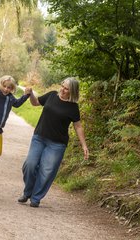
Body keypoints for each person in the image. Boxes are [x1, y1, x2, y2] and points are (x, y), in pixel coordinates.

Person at [18, 77, 89, 207]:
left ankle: (36, 198)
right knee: (30, 165)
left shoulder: (73, 107)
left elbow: (78, 126)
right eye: (62, 86)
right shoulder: (51, 96)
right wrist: (31, 94)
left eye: (66, 88)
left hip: (57, 144)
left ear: (72, 91)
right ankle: (27, 192)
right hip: (39, 137)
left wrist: (84, 145)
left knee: (47, 171)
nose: (62, 89)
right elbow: (35, 103)